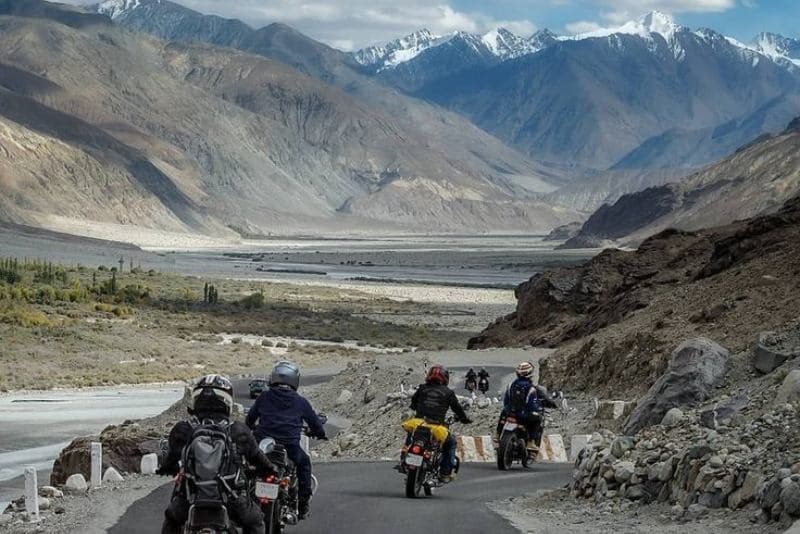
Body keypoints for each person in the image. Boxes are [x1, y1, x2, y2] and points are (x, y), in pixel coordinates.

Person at [158, 374, 274, 534]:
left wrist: (165, 468)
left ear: (196, 400)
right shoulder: (238, 430)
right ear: (226, 401)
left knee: (171, 518)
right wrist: (269, 469)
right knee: (255, 521)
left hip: (191, 499)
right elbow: (258, 458)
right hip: (231, 500)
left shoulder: (183, 429)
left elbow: (169, 461)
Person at [246, 361, 327, 520]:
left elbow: (250, 420)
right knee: (304, 464)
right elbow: (316, 425)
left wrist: (252, 428)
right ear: (294, 380)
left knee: (248, 464)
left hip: (263, 445)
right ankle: (303, 504)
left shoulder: (264, 397)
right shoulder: (300, 401)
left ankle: (242, 495)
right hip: (289, 447)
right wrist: (319, 433)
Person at [410, 364, 472, 482]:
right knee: (451, 443)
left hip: (419, 423)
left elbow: (413, 403)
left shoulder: (422, 388)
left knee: (411, 434)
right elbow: (457, 409)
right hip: (436, 427)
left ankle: (405, 455)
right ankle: (445, 473)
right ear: (445, 378)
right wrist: (464, 419)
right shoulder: (448, 392)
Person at [496, 361, 557, 451]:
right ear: (530, 374)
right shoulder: (531, 388)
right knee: (538, 419)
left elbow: (506, 401)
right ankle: (531, 442)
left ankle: (497, 434)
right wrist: (538, 407)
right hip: (523, 415)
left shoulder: (510, 385)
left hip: (509, 412)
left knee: (503, 413)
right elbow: (532, 405)